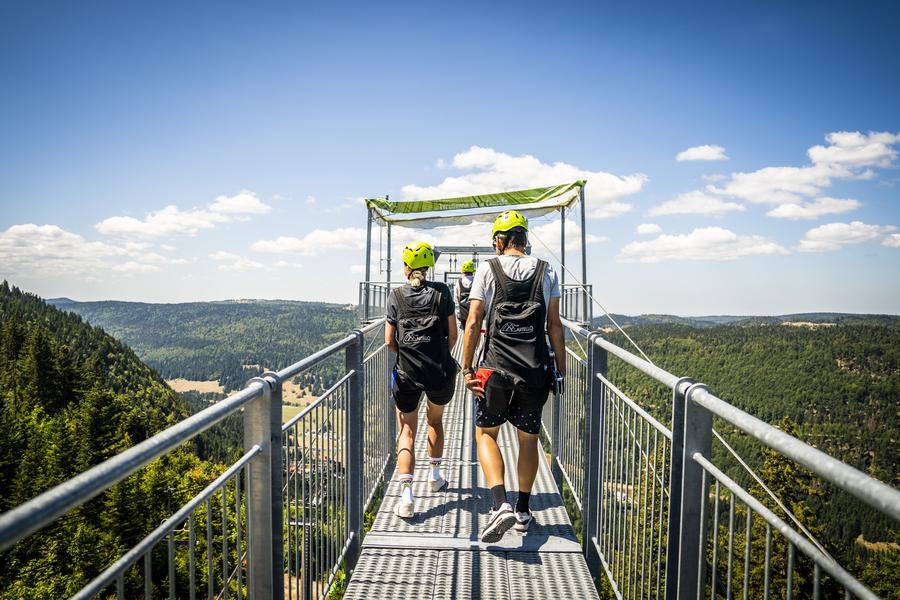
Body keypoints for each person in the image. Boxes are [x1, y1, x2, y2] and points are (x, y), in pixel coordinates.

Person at [461, 210, 566, 542]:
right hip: (534, 372)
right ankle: (522, 511)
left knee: (486, 435)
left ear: (498, 241)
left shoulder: (487, 270)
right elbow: (555, 326)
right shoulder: (546, 272)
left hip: (494, 371)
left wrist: (466, 368)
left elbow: (474, 320)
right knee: (528, 440)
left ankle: (498, 503)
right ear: (524, 240)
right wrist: (560, 370)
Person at [385, 241, 458, 518]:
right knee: (435, 421)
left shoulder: (395, 296)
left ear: (406, 267)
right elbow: (453, 336)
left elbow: (389, 341)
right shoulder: (442, 293)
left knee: (407, 432)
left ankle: (406, 497)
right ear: (429, 267)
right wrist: (439, 354)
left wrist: (407, 354)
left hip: (407, 374)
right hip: (438, 373)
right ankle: (436, 476)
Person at [455, 259, 476, 331]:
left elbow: (457, 296)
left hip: (463, 311)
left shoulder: (459, 282)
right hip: (475, 310)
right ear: (473, 270)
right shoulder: (477, 280)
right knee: (475, 331)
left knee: (465, 330)